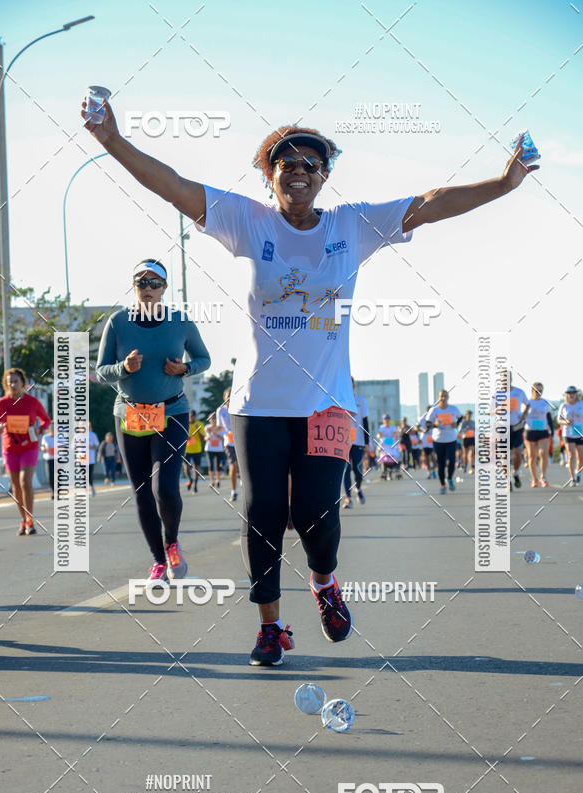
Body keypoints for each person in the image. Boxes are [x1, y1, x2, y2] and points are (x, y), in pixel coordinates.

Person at [83, 98, 537, 665]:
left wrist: (504, 183)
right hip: (257, 405)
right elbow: (174, 185)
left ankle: (324, 584)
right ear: (269, 175)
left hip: (327, 406)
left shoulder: (353, 225)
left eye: (310, 163)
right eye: (286, 163)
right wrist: (113, 142)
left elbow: (428, 203)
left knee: (316, 512)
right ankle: (270, 627)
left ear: (324, 175)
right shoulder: (247, 219)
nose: (298, 170)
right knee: (262, 512)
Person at [96, 259, 210, 583]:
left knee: (166, 487)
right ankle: (158, 561)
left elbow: (204, 358)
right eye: (141, 282)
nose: (147, 288)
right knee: (142, 490)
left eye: (154, 282)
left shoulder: (180, 322)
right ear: (133, 286)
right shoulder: (118, 322)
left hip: (172, 411)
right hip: (130, 414)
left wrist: (184, 369)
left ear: (164, 287)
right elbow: (102, 371)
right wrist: (124, 369)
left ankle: (172, 542)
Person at [0, 368, 51, 535]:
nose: (12, 384)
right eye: (9, 382)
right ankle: (23, 519)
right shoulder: (1, 404)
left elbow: (46, 420)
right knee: (15, 485)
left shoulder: (32, 402)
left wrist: (40, 428)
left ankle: (30, 519)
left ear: (23, 383)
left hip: (29, 446)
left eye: (15, 381)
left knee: (25, 481)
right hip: (9, 448)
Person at [425, 390, 462, 494]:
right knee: (441, 463)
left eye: (445, 396)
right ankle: (442, 484)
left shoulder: (453, 409)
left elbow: (461, 417)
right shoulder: (434, 410)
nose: (443, 398)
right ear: (438, 398)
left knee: (452, 461)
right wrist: (435, 425)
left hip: (451, 439)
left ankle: (449, 478)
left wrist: (456, 424)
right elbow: (428, 425)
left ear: (448, 397)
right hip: (438, 440)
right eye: (441, 396)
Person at [342, 377, 369, 508]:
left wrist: (367, 442)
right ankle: (348, 498)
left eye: (351, 383)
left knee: (357, 470)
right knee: (346, 469)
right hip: (343, 441)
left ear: (353, 385)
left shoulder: (361, 400)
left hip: (358, 440)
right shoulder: (341, 399)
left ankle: (358, 489)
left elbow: (365, 421)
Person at [524, 381, 553, 488]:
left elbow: (549, 418)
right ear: (532, 391)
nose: (538, 392)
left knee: (543, 453)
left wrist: (552, 431)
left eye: (540, 391)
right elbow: (522, 416)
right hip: (530, 431)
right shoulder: (527, 402)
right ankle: (534, 479)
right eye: (536, 390)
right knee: (532, 457)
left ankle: (543, 477)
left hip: (543, 431)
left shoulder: (545, 402)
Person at [216, 388, 240, 502]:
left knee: (241, 466)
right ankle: (234, 492)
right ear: (224, 398)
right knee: (233, 464)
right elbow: (219, 427)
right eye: (228, 398)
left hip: (240, 441)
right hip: (229, 442)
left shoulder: (239, 408)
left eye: (232, 397)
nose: (230, 400)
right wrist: (224, 434)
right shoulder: (220, 411)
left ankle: (241, 476)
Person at [558, 386, 583, 487]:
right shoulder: (564, 406)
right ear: (566, 394)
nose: (571, 394)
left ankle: (578, 473)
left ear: (576, 394)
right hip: (568, 433)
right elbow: (559, 420)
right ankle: (572, 478)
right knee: (571, 455)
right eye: (569, 393)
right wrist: (566, 422)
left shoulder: (581, 404)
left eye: (573, 392)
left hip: (580, 433)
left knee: (581, 457)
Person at [508, 377, 528, 488]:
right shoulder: (497, 394)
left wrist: (524, 413)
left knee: (517, 453)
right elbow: (489, 411)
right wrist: (496, 410)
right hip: (502, 427)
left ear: (511, 379)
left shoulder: (519, 392)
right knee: (504, 456)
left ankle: (515, 473)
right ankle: (508, 480)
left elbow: (528, 403)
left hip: (516, 426)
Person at [185, 410, 205, 493]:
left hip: (197, 450)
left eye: (193, 416)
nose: (192, 418)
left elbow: (202, 438)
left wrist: (198, 429)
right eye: (190, 416)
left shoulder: (200, 424)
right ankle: (190, 479)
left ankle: (195, 485)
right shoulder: (185, 424)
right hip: (187, 450)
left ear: (195, 416)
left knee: (196, 469)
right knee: (187, 468)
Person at [204, 413, 226, 488]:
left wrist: (215, 434)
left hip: (218, 449)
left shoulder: (220, 427)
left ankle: (218, 480)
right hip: (209, 448)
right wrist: (209, 436)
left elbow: (223, 438)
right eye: (211, 418)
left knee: (218, 465)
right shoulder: (207, 427)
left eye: (214, 418)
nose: (213, 420)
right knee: (211, 465)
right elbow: (206, 438)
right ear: (209, 420)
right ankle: (212, 481)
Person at [40, 423, 56, 498]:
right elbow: (42, 446)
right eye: (51, 428)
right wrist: (43, 449)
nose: (52, 430)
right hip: (49, 459)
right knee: (50, 476)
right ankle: (53, 491)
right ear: (49, 429)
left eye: (54, 428)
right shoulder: (45, 437)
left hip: (58, 459)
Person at [460, 410, 475, 474]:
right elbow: (459, 431)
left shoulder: (473, 422)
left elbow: (475, 429)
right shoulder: (463, 422)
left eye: (470, 415)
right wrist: (466, 429)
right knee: (465, 455)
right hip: (465, 439)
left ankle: (471, 468)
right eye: (468, 415)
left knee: (471, 454)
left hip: (471, 438)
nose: (469, 416)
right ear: (466, 415)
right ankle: (465, 466)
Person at [87, 421, 100, 496]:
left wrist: (91, 447)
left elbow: (97, 445)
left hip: (90, 459)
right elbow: (72, 447)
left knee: (89, 475)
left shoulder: (92, 435)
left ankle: (92, 487)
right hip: (80, 459)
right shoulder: (77, 435)